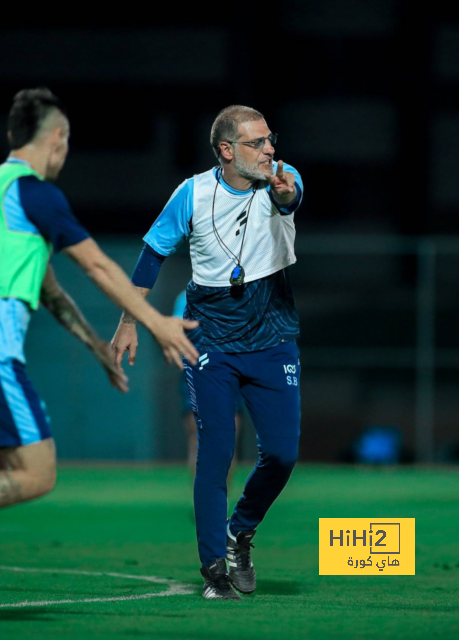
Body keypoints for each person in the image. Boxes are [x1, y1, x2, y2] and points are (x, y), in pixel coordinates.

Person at [0, 87, 199, 630]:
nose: (66, 153)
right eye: (67, 142)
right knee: (38, 475)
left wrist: (95, 344)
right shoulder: (37, 193)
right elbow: (96, 265)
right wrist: (156, 322)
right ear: (57, 138)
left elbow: (47, 283)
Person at [111, 106, 303, 600]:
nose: (269, 150)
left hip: (272, 335)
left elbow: (291, 196)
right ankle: (214, 568)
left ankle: (240, 532)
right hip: (212, 338)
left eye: (269, 140)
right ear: (225, 150)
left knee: (281, 454)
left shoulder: (281, 179)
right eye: (256, 143)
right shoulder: (191, 193)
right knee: (214, 453)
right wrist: (130, 321)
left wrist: (287, 195)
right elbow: (153, 253)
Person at [172, 289, 243, 478]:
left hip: (230, 375)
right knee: (199, 441)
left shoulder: (239, 295)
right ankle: (204, 503)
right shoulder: (186, 297)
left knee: (227, 440)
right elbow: (176, 334)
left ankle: (221, 503)